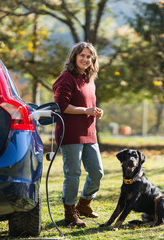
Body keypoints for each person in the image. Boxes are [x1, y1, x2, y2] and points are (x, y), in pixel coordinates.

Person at [52, 42, 104, 228]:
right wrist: (85, 110)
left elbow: (88, 106)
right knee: (73, 174)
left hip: (89, 133)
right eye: (82, 55)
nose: (85, 59)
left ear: (92, 60)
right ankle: (70, 213)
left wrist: (96, 111)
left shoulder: (89, 79)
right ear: (74, 57)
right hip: (70, 133)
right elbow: (61, 106)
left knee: (97, 172)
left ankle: (84, 205)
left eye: (89, 57)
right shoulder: (66, 78)